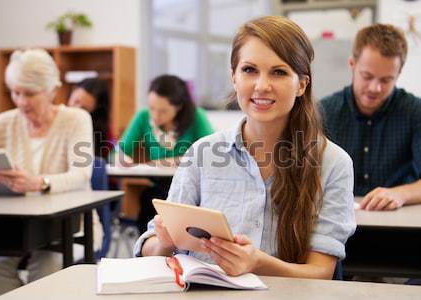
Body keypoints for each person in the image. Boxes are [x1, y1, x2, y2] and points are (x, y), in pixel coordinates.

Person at [133, 16, 356, 279]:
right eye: (249, 70)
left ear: (302, 85)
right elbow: (148, 246)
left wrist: (257, 263)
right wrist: (164, 242)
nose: (262, 86)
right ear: (234, 77)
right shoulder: (202, 153)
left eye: (279, 72)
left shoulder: (333, 163)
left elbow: (321, 273)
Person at [0, 49, 101, 297]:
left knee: (48, 267)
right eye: (16, 92)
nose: (21, 101)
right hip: (15, 229)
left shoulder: (76, 119)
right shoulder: (3, 122)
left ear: (51, 90)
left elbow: (81, 174)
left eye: (30, 93)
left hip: (68, 227)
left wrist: (39, 183)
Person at [320, 24, 421, 211]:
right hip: (337, 218)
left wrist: (401, 194)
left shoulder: (415, 112)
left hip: (400, 222)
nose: (375, 88)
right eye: (367, 76)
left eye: (386, 80)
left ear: (398, 74)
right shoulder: (323, 112)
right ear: (352, 65)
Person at [113, 74, 214, 233]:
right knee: (150, 199)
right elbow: (118, 151)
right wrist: (121, 158)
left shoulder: (196, 117)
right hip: (158, 188)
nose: (155, 115)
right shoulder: (143, 116)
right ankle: (148, 249)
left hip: (192, 188)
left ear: (178, 107)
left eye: (163, 111)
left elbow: (211, 153)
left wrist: (170, 161)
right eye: (152, 108)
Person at [68, 78, 114, 160]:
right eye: (76, 101)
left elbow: (113, 151)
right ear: (72, 93)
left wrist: (116, 157)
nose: (76, 110)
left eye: (84, 108)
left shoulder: (101, 132)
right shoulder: (54, 118)